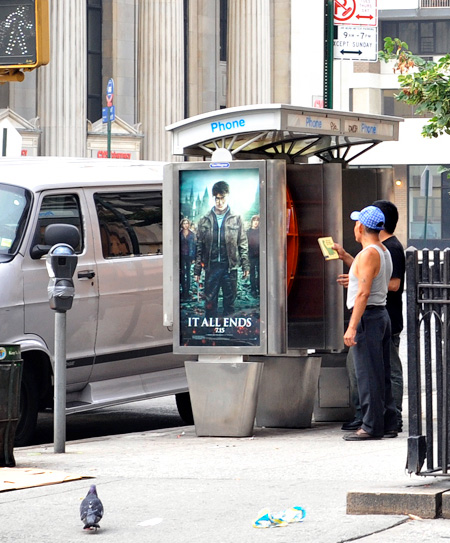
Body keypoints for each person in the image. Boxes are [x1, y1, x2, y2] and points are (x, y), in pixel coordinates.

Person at [336, 201, 405, 433]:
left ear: (361, 227)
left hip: (370, 317)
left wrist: (352, 326)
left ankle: (370, 425)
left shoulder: (370, 253)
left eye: (357, 223)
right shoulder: (382, 250)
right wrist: (345, 255)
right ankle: (387, 423)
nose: (355, 227)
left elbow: (364, 293)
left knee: (367, 374)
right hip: (381, 315)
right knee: (381, 373)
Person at [193, 181, 249, 318]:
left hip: (229, 267)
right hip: (211, 267)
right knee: (210, 301)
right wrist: (197, 270)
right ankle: (209, 330)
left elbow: (242, 242)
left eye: (222, 197)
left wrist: (245, 264)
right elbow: (199, 246)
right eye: (217, 198)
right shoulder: (204, 220)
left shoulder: (236, 218)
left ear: (227, 196)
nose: (219, 201)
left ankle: (228, 331)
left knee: (230, 302)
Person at [179, 218, 196, 301]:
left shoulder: (192, 234)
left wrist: (193, 257)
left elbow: (194, 246)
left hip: (189, 255)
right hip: (181, 255)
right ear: (182, 224)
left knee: (188, 273)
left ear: (188, 224)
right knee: (182, 273)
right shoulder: (179, 234)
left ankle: (187, 291)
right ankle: (183, 290)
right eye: (184, 223)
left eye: (187, 223)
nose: (185, 225)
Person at [247, 215, 260, 298]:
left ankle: (260, 288)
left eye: (257, 221)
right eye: (254, 220)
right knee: (252, 274)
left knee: (260, 273)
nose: (256, 222)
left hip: (259, 256)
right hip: (251, 256)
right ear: (251, 222)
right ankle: (253, 290)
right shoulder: (248, 232)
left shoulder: (261, 231)